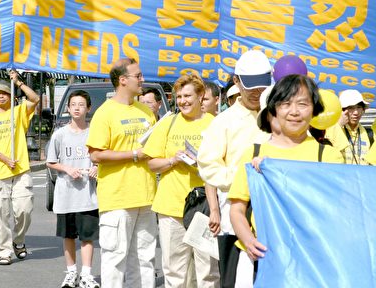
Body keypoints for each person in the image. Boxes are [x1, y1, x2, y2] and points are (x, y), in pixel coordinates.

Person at [228, 75, 345, 266]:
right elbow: (237, 210)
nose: (294, 111)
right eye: (286, 104)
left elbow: (337, 210)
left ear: (314, 109)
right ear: (274, 109)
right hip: (262, 259)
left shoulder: (329, 157)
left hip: (313, 259)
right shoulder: (254, 154)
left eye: (303, 104)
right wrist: (249, 241)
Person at [197, 50, 272, 288]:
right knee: (233, 277)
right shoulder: (223, 122)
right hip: (235, 211)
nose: (257, 93)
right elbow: (208, 164)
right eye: (251, 87)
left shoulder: (278, 115)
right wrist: (241, 180)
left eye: (262, 87)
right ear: (237, 82)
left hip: (271, 208)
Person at [86, 58, 157, 288]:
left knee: (145, 259)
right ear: (123, 80)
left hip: (147, 197)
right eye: (138, 76)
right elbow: (96, 155)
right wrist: (134, 154)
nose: (142, 80)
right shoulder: (104, 113)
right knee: (115, 260)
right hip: (117, 199)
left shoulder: (146, 111)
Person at [145, 74, 220, 288]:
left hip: (204, 208)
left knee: (208, 273)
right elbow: (152, 163)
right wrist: (173, 160)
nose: (183, 101)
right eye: (179, 97)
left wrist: (201, 163)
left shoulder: (215, 124)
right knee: (174, 272)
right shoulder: (168, 123)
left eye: (187, 96)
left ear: (200, 96)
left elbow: (224, 165)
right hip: (171, 208)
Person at [0, 70, 40, 266]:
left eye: (4, 93)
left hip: (20, 171)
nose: (1, 96)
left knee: (24, 210)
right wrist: (5, 159)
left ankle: (18, 241)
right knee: (1, 215)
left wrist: (18, 83)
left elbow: (35, 99)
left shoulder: (19, 112)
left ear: (11, 96)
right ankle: (4, 251)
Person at [46, 90, 100, 288]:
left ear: (88, 108)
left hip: (87, 194)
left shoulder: (94, 133)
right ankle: (71, 273)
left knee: (87, 237)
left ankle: (86, 274)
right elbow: (51, 161)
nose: (77, 108)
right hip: (66, 195)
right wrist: (67, 168)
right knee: (68, 235)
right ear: (68, 108)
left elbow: (101, 158)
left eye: (81, 105)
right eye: (73, 105)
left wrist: (96, 167)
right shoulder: (60, 135)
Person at [326, 89, 371, 165]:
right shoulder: (330, 128)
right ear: (342, 110)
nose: (356, 112)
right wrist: (339, 125)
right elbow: (329, 152)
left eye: (359, 107)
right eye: (351, 108)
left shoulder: (367, 132)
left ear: (363, 110)